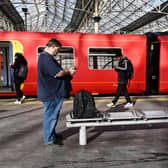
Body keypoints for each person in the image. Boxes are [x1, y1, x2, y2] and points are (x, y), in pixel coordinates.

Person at [37, 38, 76, 146]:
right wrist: (69, 71)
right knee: (51, 116)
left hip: (51, 91)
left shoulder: (45, 57)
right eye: (57, 50)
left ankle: (52, 134)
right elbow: (58, 74)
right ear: (52, 47)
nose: (57, 52)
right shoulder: (46, 58)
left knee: (53, 115)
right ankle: (49, 139)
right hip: (52, 93)